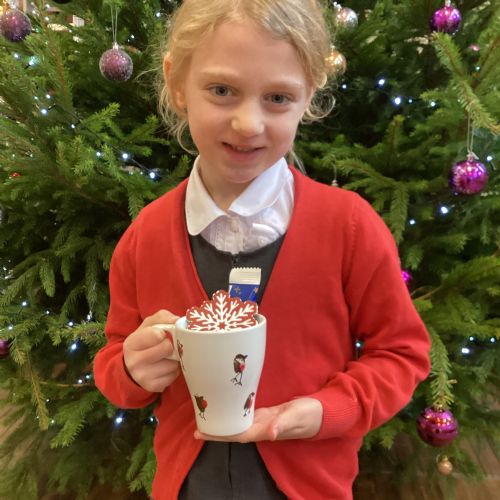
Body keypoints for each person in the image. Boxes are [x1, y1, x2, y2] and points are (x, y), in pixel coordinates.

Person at [93, 1, 431, 499]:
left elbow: (401, 353)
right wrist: (131, 369)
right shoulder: (145, 237)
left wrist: (325, 410)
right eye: (222, 90)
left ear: (308, 96)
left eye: (277, 97)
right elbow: (114, 362)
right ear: (177, 84)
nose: (248, 123)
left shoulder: (349, 227)